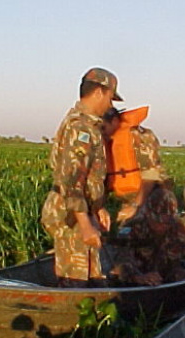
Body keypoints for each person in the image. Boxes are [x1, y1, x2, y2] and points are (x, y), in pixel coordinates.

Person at [40, 67, 123, 286]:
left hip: (82, 210)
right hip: (72, 214)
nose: (110, 105)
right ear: (99, 93)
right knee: (75, 280)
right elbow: (72, 179)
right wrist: (85, 224)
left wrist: (98, 207)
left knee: (93, 274)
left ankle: (93, 317)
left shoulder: (89, 126)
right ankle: (70, 320)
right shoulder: (80, 128)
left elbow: (88, 179)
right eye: (110, 98)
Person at [109, 187, 185, 286]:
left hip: (168, 273)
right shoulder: (134, 228)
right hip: (140, 275)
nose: (163, 226)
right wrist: (138, 277)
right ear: (148, 215)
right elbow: (122, 259)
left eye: (168, 222)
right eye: (158, 221)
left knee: (183, 276)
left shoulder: (182, 228)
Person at [102, 107, 169, 223]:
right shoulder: (107, 140)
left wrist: (135, 206)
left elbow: (150, 176)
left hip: (151, 197)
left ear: (114, 121)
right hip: (124, 200)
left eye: (103, 128)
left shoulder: (139, 136)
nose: (101, 132)